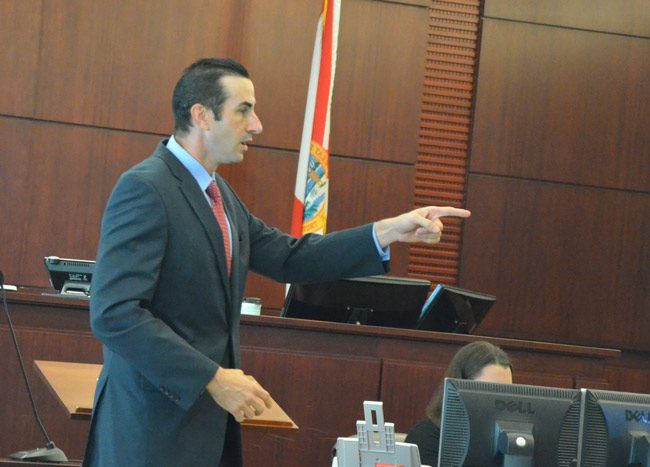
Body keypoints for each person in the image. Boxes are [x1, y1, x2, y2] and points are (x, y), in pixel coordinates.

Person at [83, 57, 471, 467]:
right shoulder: (145, 188)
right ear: (201, 116)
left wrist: (386, 232)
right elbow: (114, 313)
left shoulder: (220, 196)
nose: (257, 126)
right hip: (149, 433)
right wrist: (211, 377)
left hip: (206, 429)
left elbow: (289, 258)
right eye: (243, 110)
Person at [405, 341, 513, 466]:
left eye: (506, 392)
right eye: (489, 392)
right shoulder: (426, 437)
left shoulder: (508, 443)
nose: (499, 401)